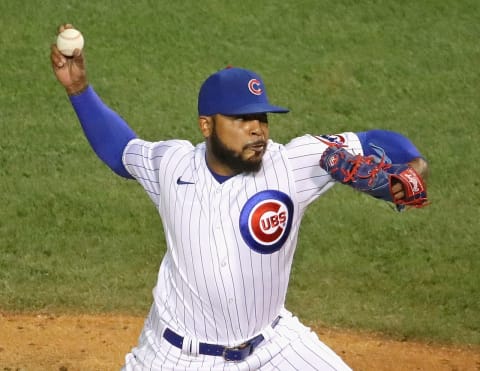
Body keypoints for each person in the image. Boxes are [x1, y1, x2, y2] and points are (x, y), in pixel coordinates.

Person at [51, 24, 428, 371]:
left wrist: (413, 168)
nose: (257, 130)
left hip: (273, 345)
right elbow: (121, 152)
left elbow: (383, 143)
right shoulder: (172, 165)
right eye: (241, 120)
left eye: (261, 118)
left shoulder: (295, 162)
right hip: (176, 355)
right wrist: (79, 91)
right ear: (206, 125)